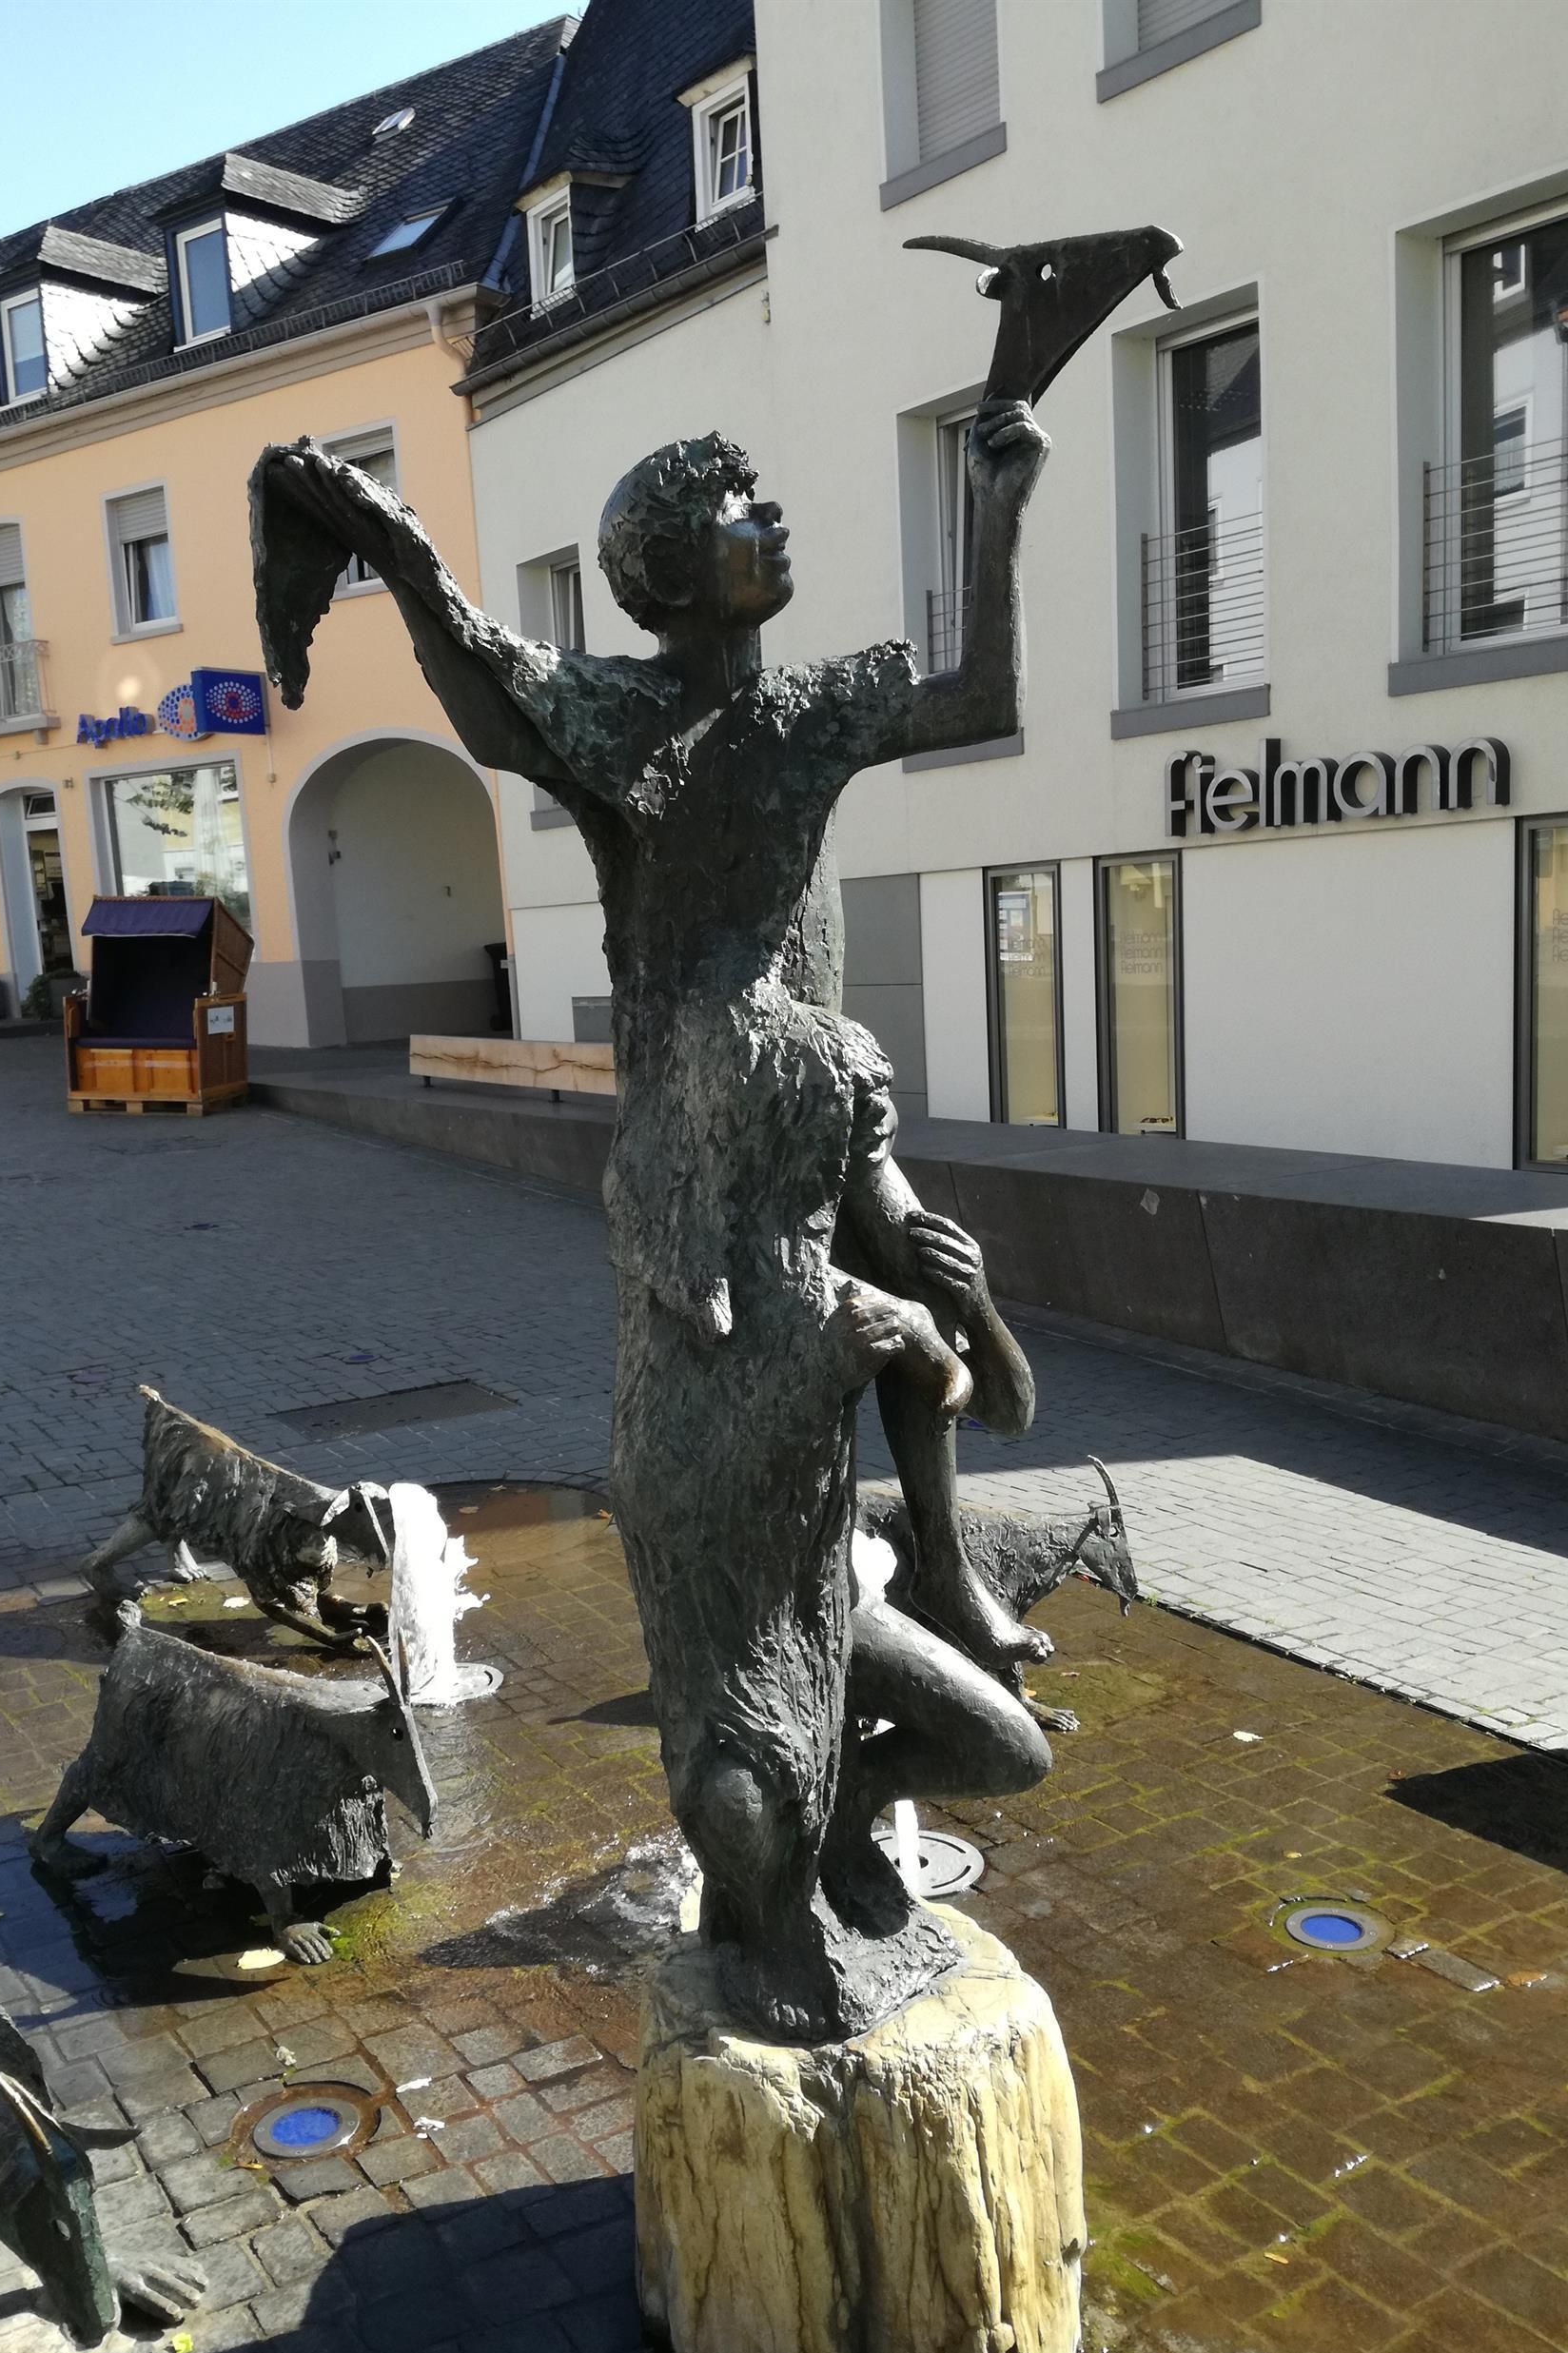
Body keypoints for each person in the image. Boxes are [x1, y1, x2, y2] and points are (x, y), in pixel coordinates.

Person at [252, 383, 1059, 2038]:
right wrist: (395, 551)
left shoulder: (809, 712)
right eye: (741, 506)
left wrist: (998, 508)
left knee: (914, 1320)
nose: (777, 516)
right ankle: (793, 1858)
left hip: (808, 1107)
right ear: (675, 571)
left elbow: (981, 692)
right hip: (717, 1144)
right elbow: (492, 693)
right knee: (838, 1375)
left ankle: (928, 1596)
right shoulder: (632, 722)